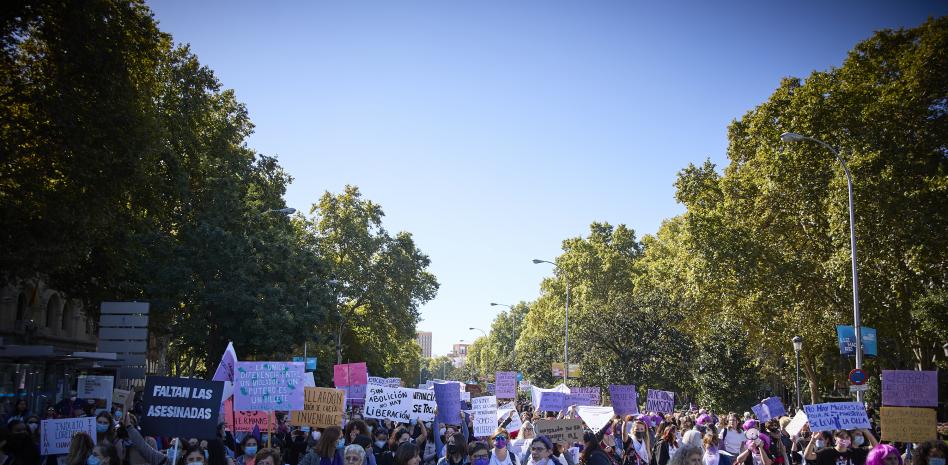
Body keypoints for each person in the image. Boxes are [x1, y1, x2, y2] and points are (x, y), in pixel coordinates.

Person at [803, 429, 877, 465]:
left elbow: (876, 448)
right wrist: (813, 440)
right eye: (841, 436)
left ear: (850, 439)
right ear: (835, 438)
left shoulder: (855, 452)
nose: (844, 439)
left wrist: (866, 432)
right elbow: (808, 456)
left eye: (847, 437)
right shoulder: (827, 452)